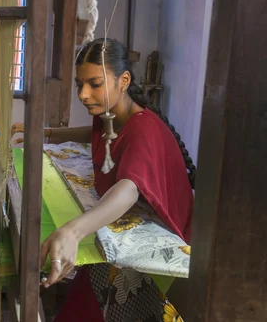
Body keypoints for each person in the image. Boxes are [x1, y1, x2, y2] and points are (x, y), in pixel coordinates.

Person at [12, 38, 195, 321]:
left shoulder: (144, 129)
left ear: (123, 80)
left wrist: (73, 231)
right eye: (79, 84)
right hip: (128, 224)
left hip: (165, 244)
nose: (83, 94)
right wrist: (47, 134)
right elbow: (96, 133)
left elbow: (129, 188)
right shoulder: (111, 111)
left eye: (94, 84)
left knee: (97, 305)